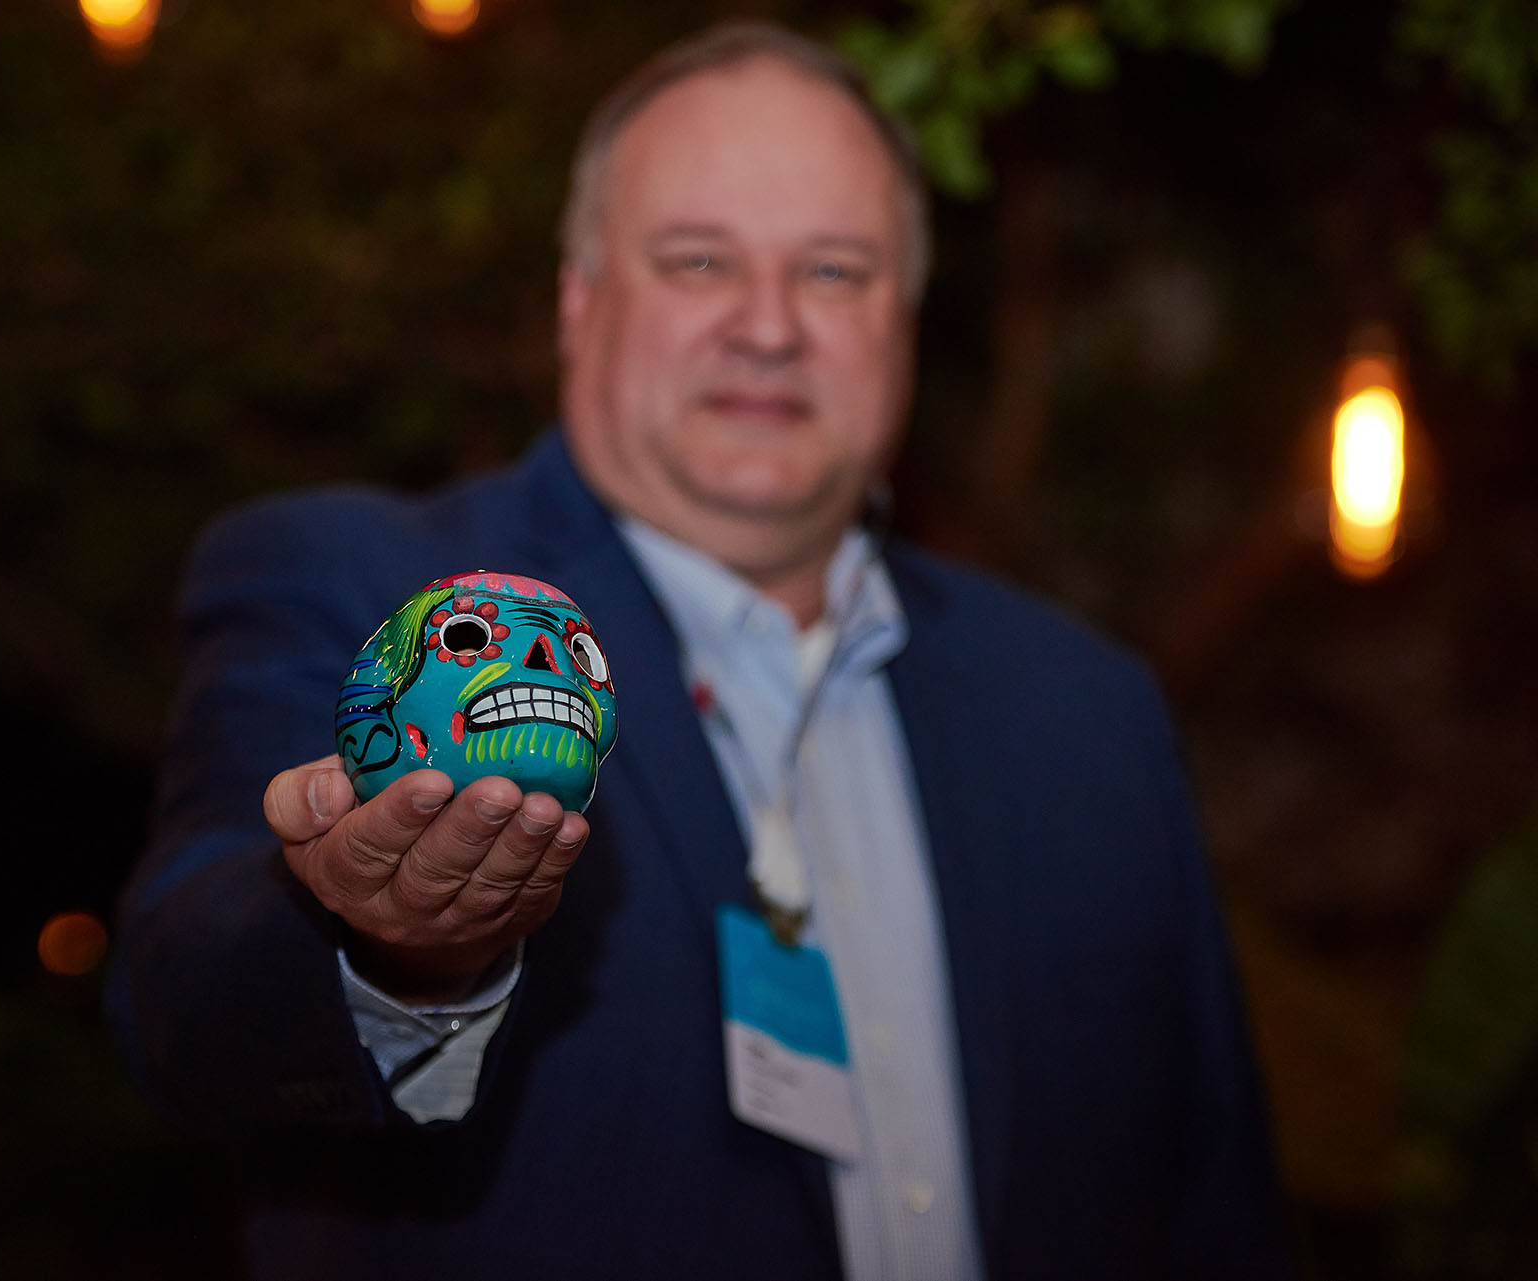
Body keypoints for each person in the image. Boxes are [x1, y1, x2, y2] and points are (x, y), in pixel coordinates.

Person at [107, 20, 1292, 1280]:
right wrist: (386, 947)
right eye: (699, 260)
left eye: (834, 270)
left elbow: (1215, 1206)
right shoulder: (366, 598)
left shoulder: (1089, 710)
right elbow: (188, 1006)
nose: (769, 326)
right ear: (579, 301)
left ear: (904, 320)